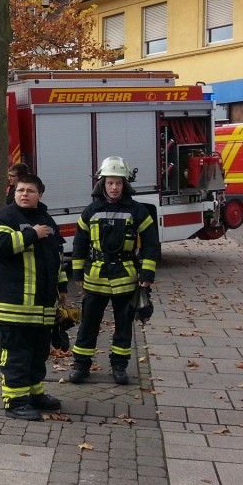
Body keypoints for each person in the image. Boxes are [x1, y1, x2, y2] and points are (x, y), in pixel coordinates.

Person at [68, 156, 159, 386]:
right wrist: (77, 273)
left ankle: (119, 366)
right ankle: (81, 366)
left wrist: (147, 274)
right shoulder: (90, 211)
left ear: (125, 184)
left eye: (118, 182)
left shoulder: (137, 211)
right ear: (102, 184)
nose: (114, 187)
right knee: (88, 324)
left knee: (123, 325)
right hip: (96, 277)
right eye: (110, 182)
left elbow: (150, 244)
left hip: (125, 277)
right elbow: (79, 243)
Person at [0, 173, 67, 421]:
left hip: (41, 309)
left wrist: (62, 288)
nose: (24, 194)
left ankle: (34, 394)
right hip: (13, 309)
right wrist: (31, 234)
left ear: (40, 194)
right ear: (13, 192)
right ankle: (15, 401)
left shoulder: (47, 219)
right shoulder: (4, 217)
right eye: (20, 190)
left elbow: (57, 257)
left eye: (30, 190)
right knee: (16, 357)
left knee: (37, 355)